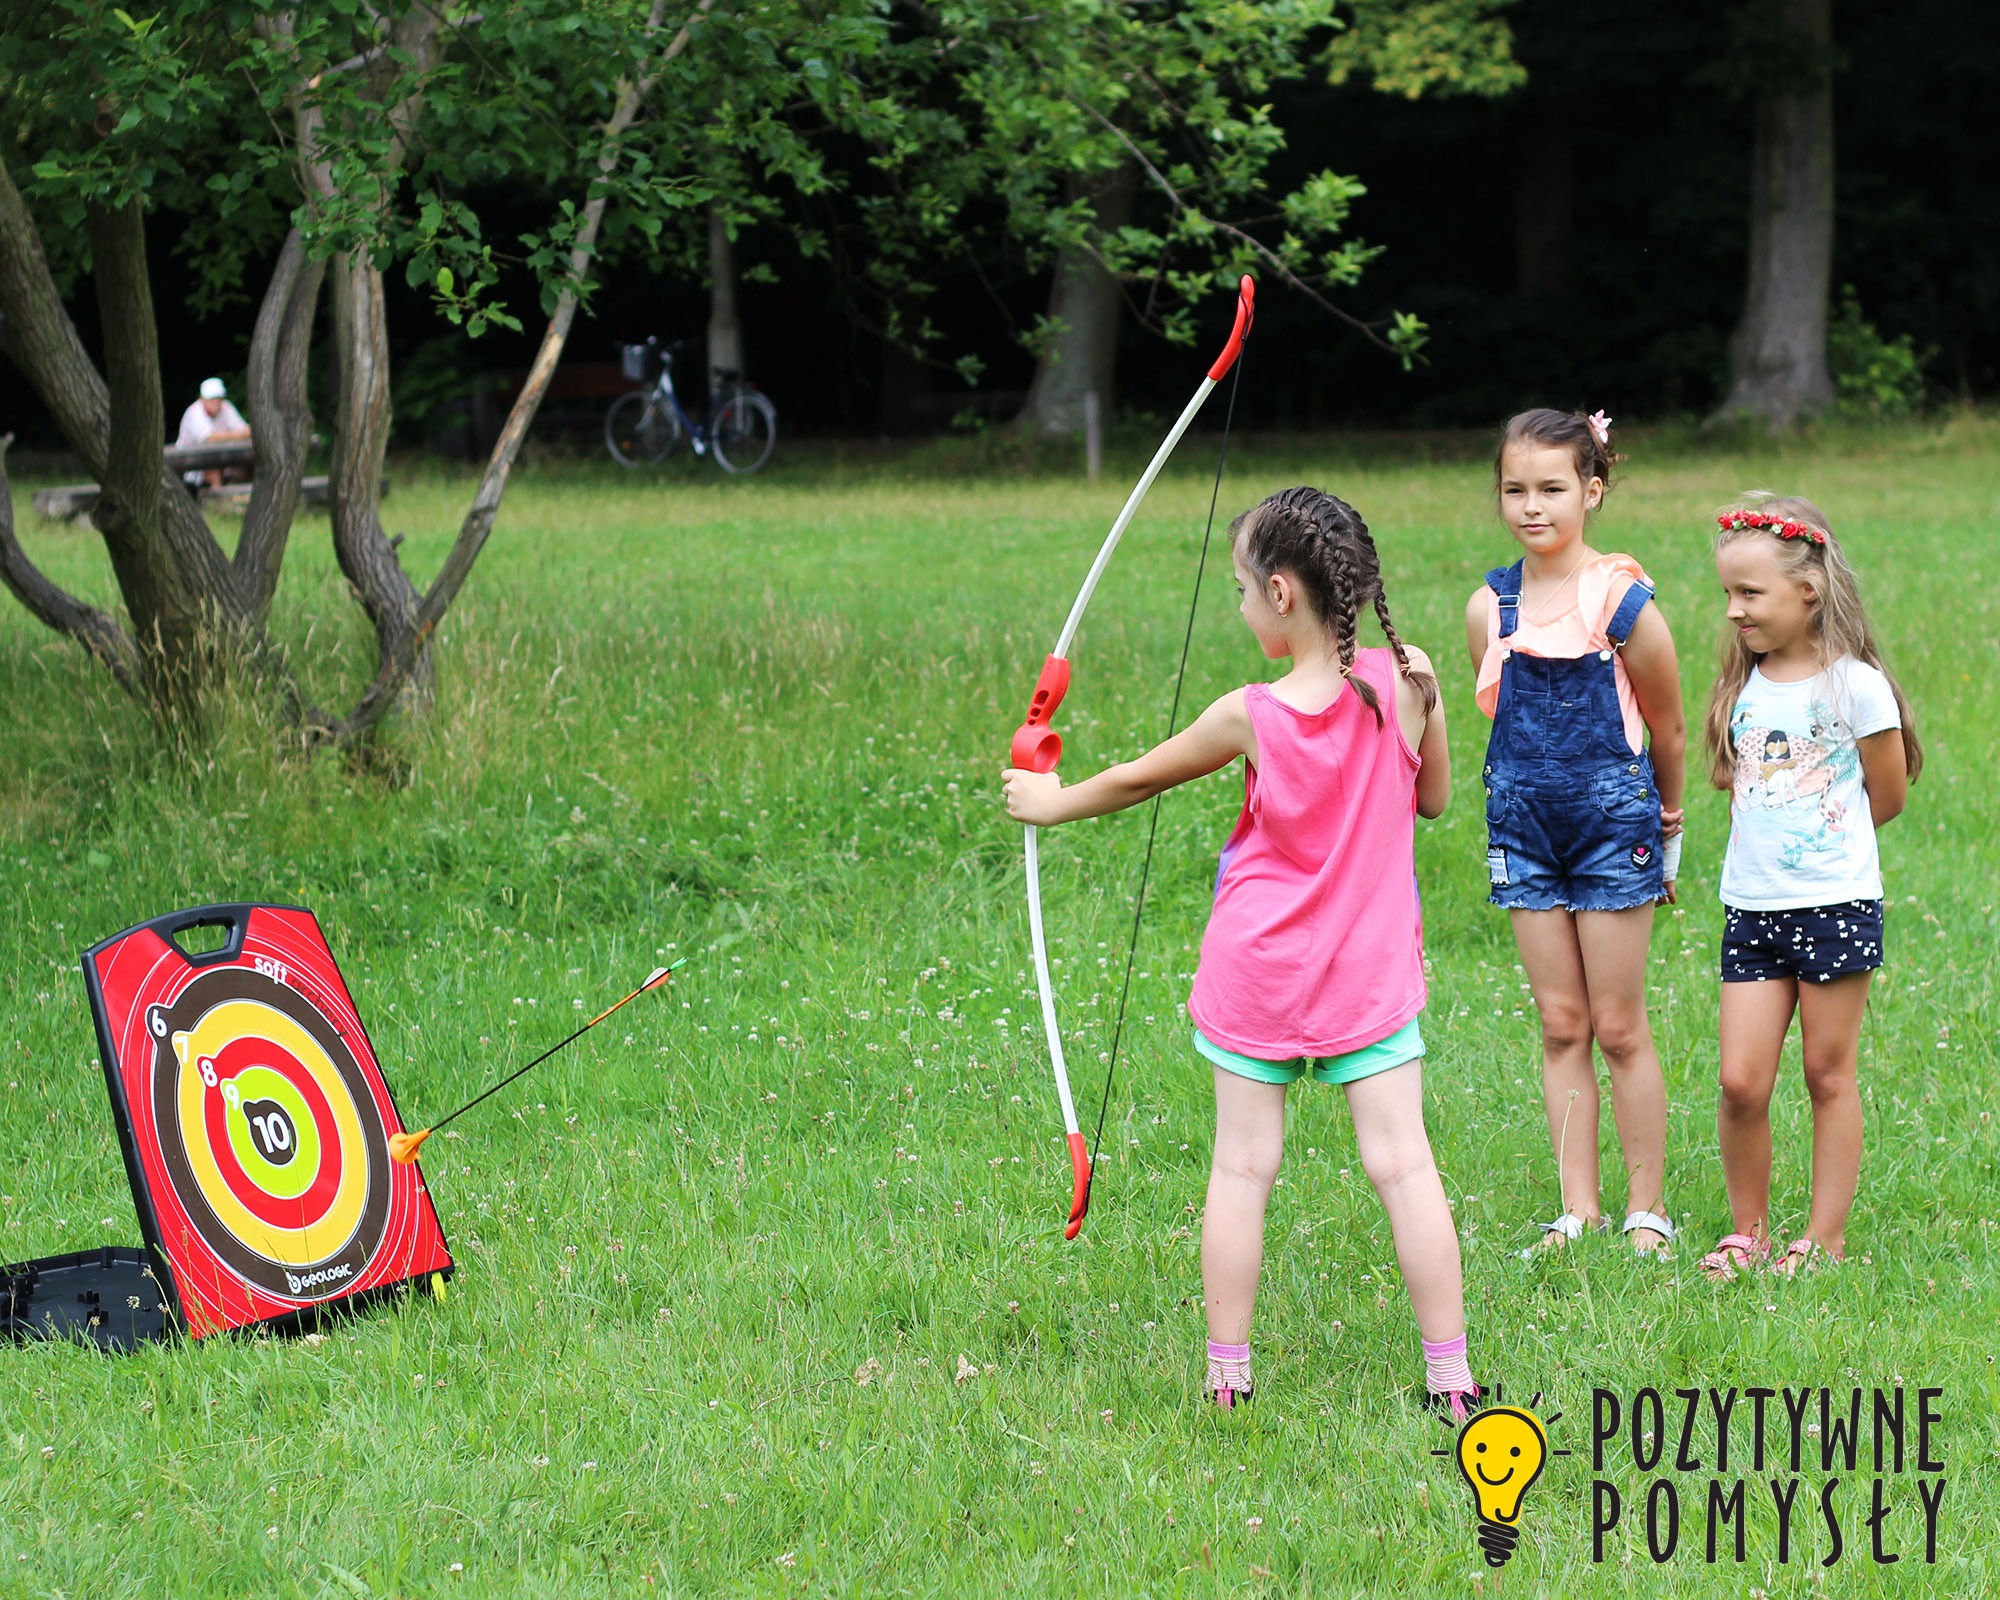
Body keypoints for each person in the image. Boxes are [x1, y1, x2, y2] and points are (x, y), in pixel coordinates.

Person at [1004, 486, 1482, 1417]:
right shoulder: (1412, 678)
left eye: (1238, 589)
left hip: (1259, 972)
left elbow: (1138, 777)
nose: (1236, 606)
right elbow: (1431, 803)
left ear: (1280, 593)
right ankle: (1452, 1380)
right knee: (1404, 1165)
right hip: (1368, 976)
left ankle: (1228, 1378)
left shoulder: (1249, 715)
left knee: (1240, 1168)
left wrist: (1049, 800)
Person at [1464, 408, 1686, 1257]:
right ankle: (1578, 1208)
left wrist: (1667, 829)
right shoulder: (1492, 607)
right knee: (1561, 1023)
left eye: (1552, 488)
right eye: (1515, 489)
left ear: (1591, 491)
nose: (1532, 506)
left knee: (1619, 1025)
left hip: (1613, 832)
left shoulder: (1622, 601)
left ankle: (1646, 1211)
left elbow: (1664, 728)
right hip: (1523, 832)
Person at [1697, 496, 1918, 1278]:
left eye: (1750, 594)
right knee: (1739, 1081)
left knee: (1828, 1073)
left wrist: (1830, 855)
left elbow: (1884, 796)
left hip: (1835, 906)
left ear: (1808, 593)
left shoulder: (1855, 686)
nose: (1734, 611)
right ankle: (1747, 1232)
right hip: (1751, 910)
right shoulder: (1746, 686)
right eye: (1729, 593)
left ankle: (1822, 1241)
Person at [176, 377, 251, 487]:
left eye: (218, 398)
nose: (216, 402)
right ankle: (218, 502)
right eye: (211, 398)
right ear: (202, 399)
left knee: (246, 466)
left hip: (223, 458)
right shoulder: (194, 412)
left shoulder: (226, 407)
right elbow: (208, 438)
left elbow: (247, 431)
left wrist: (230, 436)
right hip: (192, 465)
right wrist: (236, 435)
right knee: (213, 469)